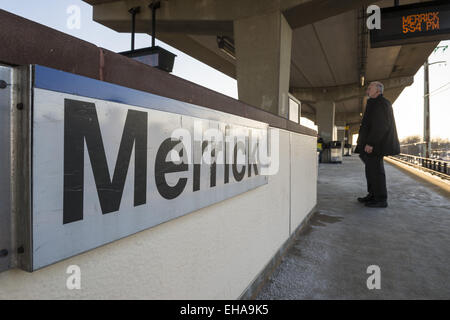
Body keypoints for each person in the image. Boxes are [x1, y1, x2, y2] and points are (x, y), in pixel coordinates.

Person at [354, 81, 400, 208]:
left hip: (376, 145)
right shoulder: (373, 103)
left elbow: (381, 126)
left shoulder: (381, 103)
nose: (367, 90)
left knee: (376, 171)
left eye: (370, 88)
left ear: (378, 90)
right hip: (370, 144)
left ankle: (380, 199)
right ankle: (373, 194)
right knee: (371, 170)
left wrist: (370, 143)